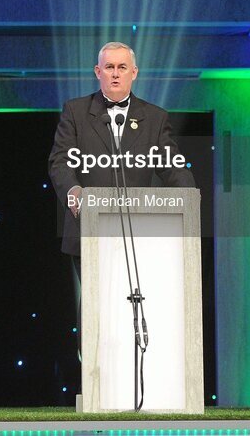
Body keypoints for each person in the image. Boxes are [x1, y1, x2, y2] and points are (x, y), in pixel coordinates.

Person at [47, 42, 195, 356]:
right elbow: (61, 162)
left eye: (122, 68)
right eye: (109, 68)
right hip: (88, 227)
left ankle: (137, 366)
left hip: (141, 230)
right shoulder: (75, 112)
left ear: (134, 73)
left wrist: (188, 198)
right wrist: (74, 192)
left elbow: (172, 165)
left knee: (136, 296)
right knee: (98, 299)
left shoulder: (154, 117)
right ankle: (95, 375)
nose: (115, 74)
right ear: (97, 73)